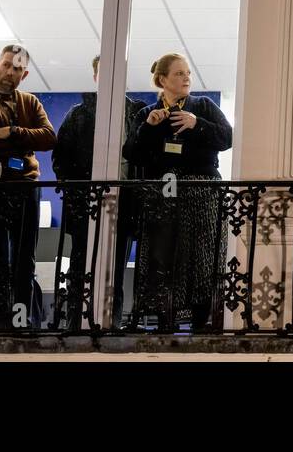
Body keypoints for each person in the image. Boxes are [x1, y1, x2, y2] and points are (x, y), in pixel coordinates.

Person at [122, 53, 231, 331]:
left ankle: (201, 317)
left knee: (203, 254)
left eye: (188, 73)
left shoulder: (203, 106)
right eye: (179, 74)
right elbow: (133, 153)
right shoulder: (147, 114)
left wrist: (197, 124)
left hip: (202, 192)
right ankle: (163, 317)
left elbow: (227, 137)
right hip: (163, 195)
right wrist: (149, 128)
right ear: (162, 80)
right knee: (163, 254)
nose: (186, 79)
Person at [51, 55, 145, 330]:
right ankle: (75, 323)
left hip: (125, 204)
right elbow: (61, 158)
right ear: (96, 77)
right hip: (86, 204)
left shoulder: (137, 115)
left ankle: (110, 324)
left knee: (115, 269)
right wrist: (77, 191)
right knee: (81, 265)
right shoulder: (78, 114)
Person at [0, 44, 56, 330]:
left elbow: (48, 138)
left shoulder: (30, 102)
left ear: (23, 76)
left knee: (25, 260)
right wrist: (21, 142)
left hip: (26, 188)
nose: (10, 72)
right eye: (7, 65)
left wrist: (13, 133)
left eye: (17, 69)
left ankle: (25, 322)